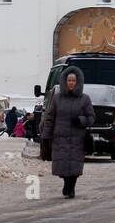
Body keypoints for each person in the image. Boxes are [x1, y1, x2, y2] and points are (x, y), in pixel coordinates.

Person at [39, 64, 95, 197]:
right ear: (65, 81)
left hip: (77, 139)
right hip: (60, 138)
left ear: (78, 82)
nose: (71, 83)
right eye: (69, 80)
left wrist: (81, 120)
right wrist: (46, 136)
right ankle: (66, 183)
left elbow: (91, 117)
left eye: (74, 81)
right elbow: (50, 118)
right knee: (62, 166)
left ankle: (71, 187)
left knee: (74, 166)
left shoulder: (84, 99)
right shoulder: (57, 98)